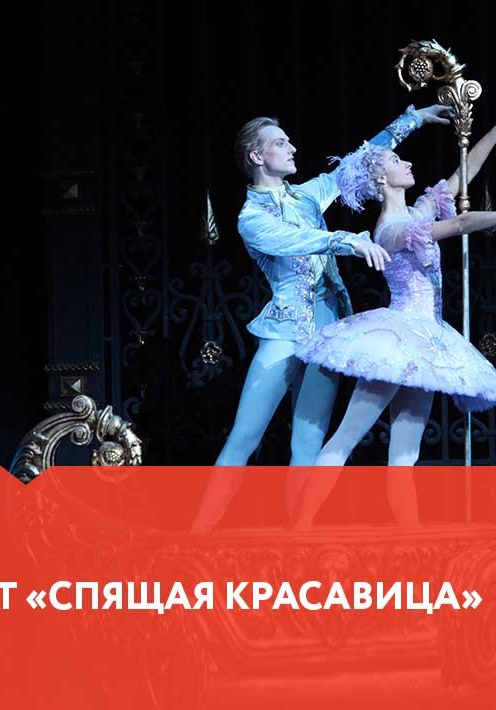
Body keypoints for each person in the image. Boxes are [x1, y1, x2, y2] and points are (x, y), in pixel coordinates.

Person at [191, 104, 453, 532]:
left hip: (328, 330)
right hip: (285, 333)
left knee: (309, 439)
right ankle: (198, 534)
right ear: (257, 156)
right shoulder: (251, 218)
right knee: (245, 436)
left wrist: (414, 119)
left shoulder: (308, 195)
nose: (292, 148)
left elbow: (360, 160)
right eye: (280, 143)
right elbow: (296, 240)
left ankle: (300, 534)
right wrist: (349, 240)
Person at [290, 118, 496, 529]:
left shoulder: (415, 213)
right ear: (381, 178)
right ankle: (300, 527)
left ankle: (410, 536)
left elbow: (463, 174)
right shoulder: (391, 230)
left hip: (427, 339)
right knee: (346, 437)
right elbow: (460, 223)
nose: (408, 163)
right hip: (398, 338)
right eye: (397, 160)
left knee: (405, 456)